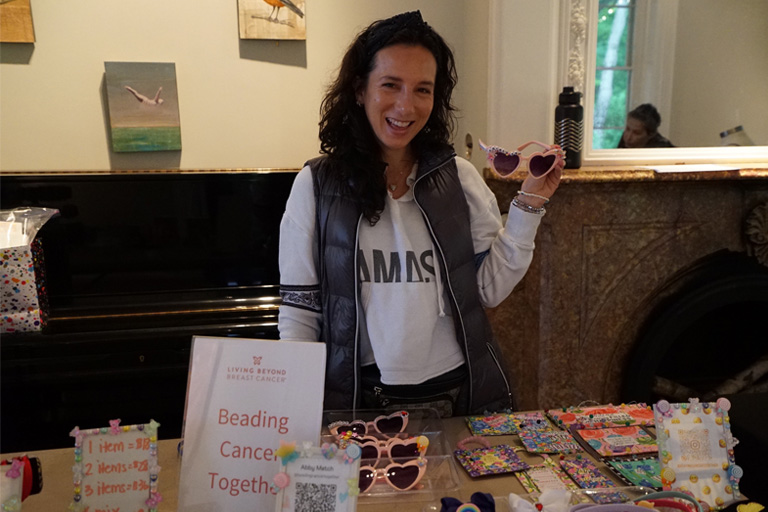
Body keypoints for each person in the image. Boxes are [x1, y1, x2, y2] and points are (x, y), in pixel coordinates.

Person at [277, 11, 563, 416]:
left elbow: (488, 290)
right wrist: (297, 407)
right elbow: (300, 314)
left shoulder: (458, 179)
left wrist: (530, 203)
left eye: (423, 90)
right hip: (359, 403)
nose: (406, 105)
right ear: (360, 89)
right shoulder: (316, 185)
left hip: (457, 398)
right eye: (390, 85)